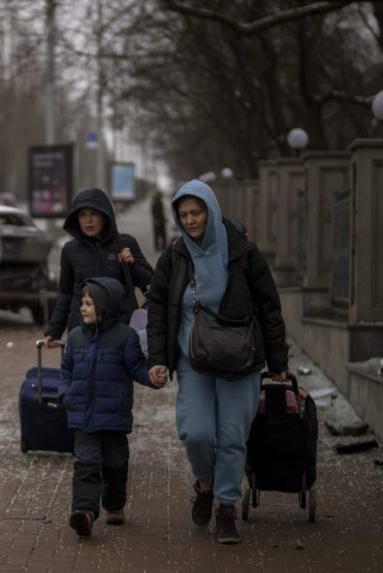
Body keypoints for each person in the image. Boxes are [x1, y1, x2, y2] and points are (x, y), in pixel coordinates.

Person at [146, 179, 289, 545]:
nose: (191, 220)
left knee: (231, 437)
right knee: (196, 432)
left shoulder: (241, 249)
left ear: (211, 209)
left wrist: (278, 360)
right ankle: (205, 485)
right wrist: (159, 358)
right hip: (194, 358)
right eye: (183, 214)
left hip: (242, 359)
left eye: (197, 212)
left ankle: (226, 507)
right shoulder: (175, 255)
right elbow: (158, 308)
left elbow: (269, 304)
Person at [58, 277, 165, 537]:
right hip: (82, 415)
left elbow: (136, 368)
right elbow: (66, 370)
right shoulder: (75, 337)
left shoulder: (125, 337)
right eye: (82, 303)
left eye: (88, 304)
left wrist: (152, 377)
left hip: (113, 416)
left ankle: (114, 506)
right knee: (86, 463)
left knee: (116, 463)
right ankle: (84, 512)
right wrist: (66, 393)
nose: (82, 308)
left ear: (105, 306)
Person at [42, 188, 153, 349]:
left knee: (118, 373)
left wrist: (131, 263)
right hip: (82, 331)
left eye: (94, 214)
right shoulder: (70, 250)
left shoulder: (126, 243)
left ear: (105, 216)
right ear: (76, 218)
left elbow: (150, 281)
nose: (88, 220)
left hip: (121, 330)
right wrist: (54, 330)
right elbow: (65, 294)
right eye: (82, 214)